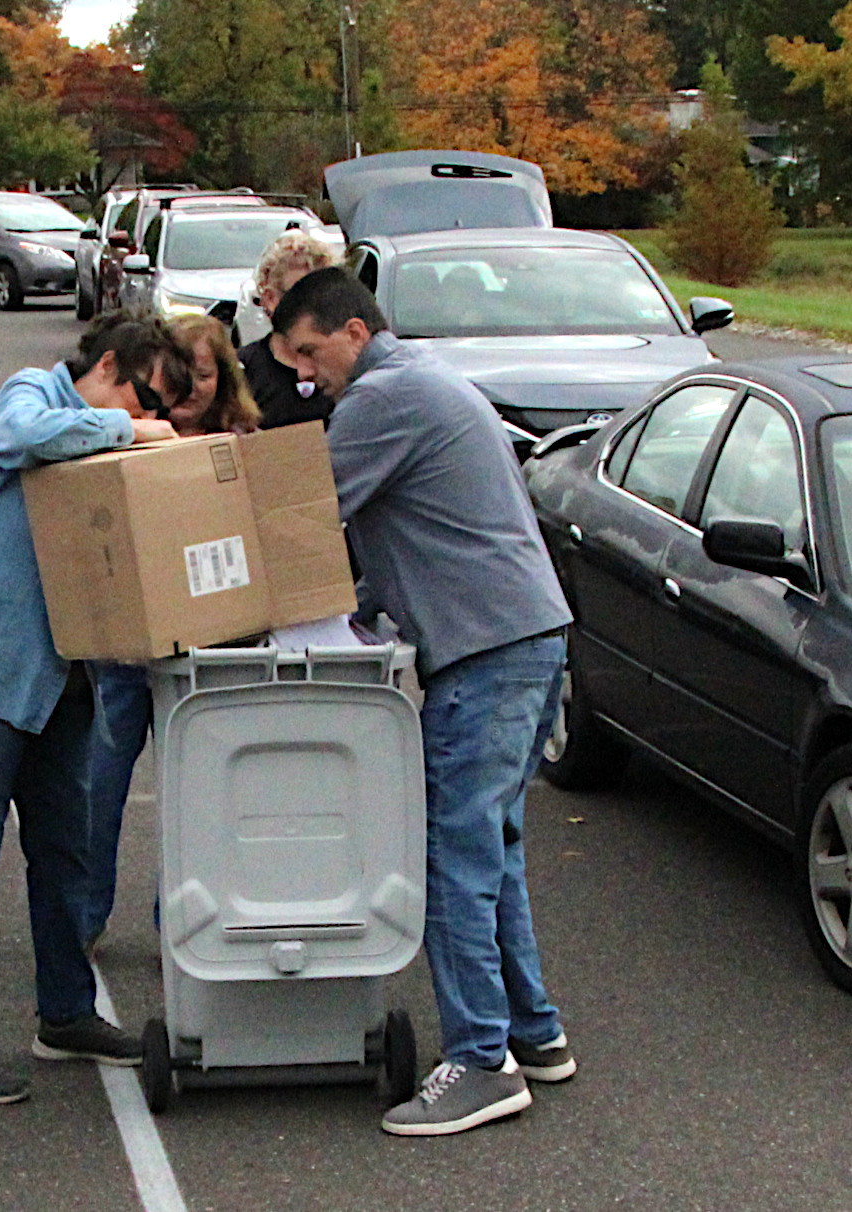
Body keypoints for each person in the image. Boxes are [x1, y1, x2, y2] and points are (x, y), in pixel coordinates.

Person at [269, 267, 577, 1137]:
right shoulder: (423, 382)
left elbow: (298, 515)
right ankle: (535, 1032)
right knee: (494, 844)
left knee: (454, 856)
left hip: (486, 652)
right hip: (520, 638)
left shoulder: (383, 398)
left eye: (309, 351)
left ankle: (482, 1061)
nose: (303, 373)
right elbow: (404, 530)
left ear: (355, 334)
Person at [0, 313, 182, 1105]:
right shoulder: (31, 396)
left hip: (58, 670)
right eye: (142, 395)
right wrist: (130, 429)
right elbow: (32, 435)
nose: (143, 416)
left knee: (66, 850)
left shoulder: (99, 432)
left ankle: (65, 1012)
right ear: (108, 366)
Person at [79, 313, 254, 951]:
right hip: (128, 647)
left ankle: (176, 919)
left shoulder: (239, 440)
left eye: (205, 375)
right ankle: (83, 913)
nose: (191, 391)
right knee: (101, 786)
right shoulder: (123, 433)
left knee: (195, 793)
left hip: (207, 650)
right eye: (178, 378)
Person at [238, 229, 340, 429]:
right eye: (299, 295)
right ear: (270, 299)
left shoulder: (344, 369)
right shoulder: (242, 372)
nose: (312, 306)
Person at [165, 313, 260, 437]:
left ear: (222, 380)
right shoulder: (133, 434)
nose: (190, 387)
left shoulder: (246, 437)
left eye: (203, 376)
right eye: (177, 373)